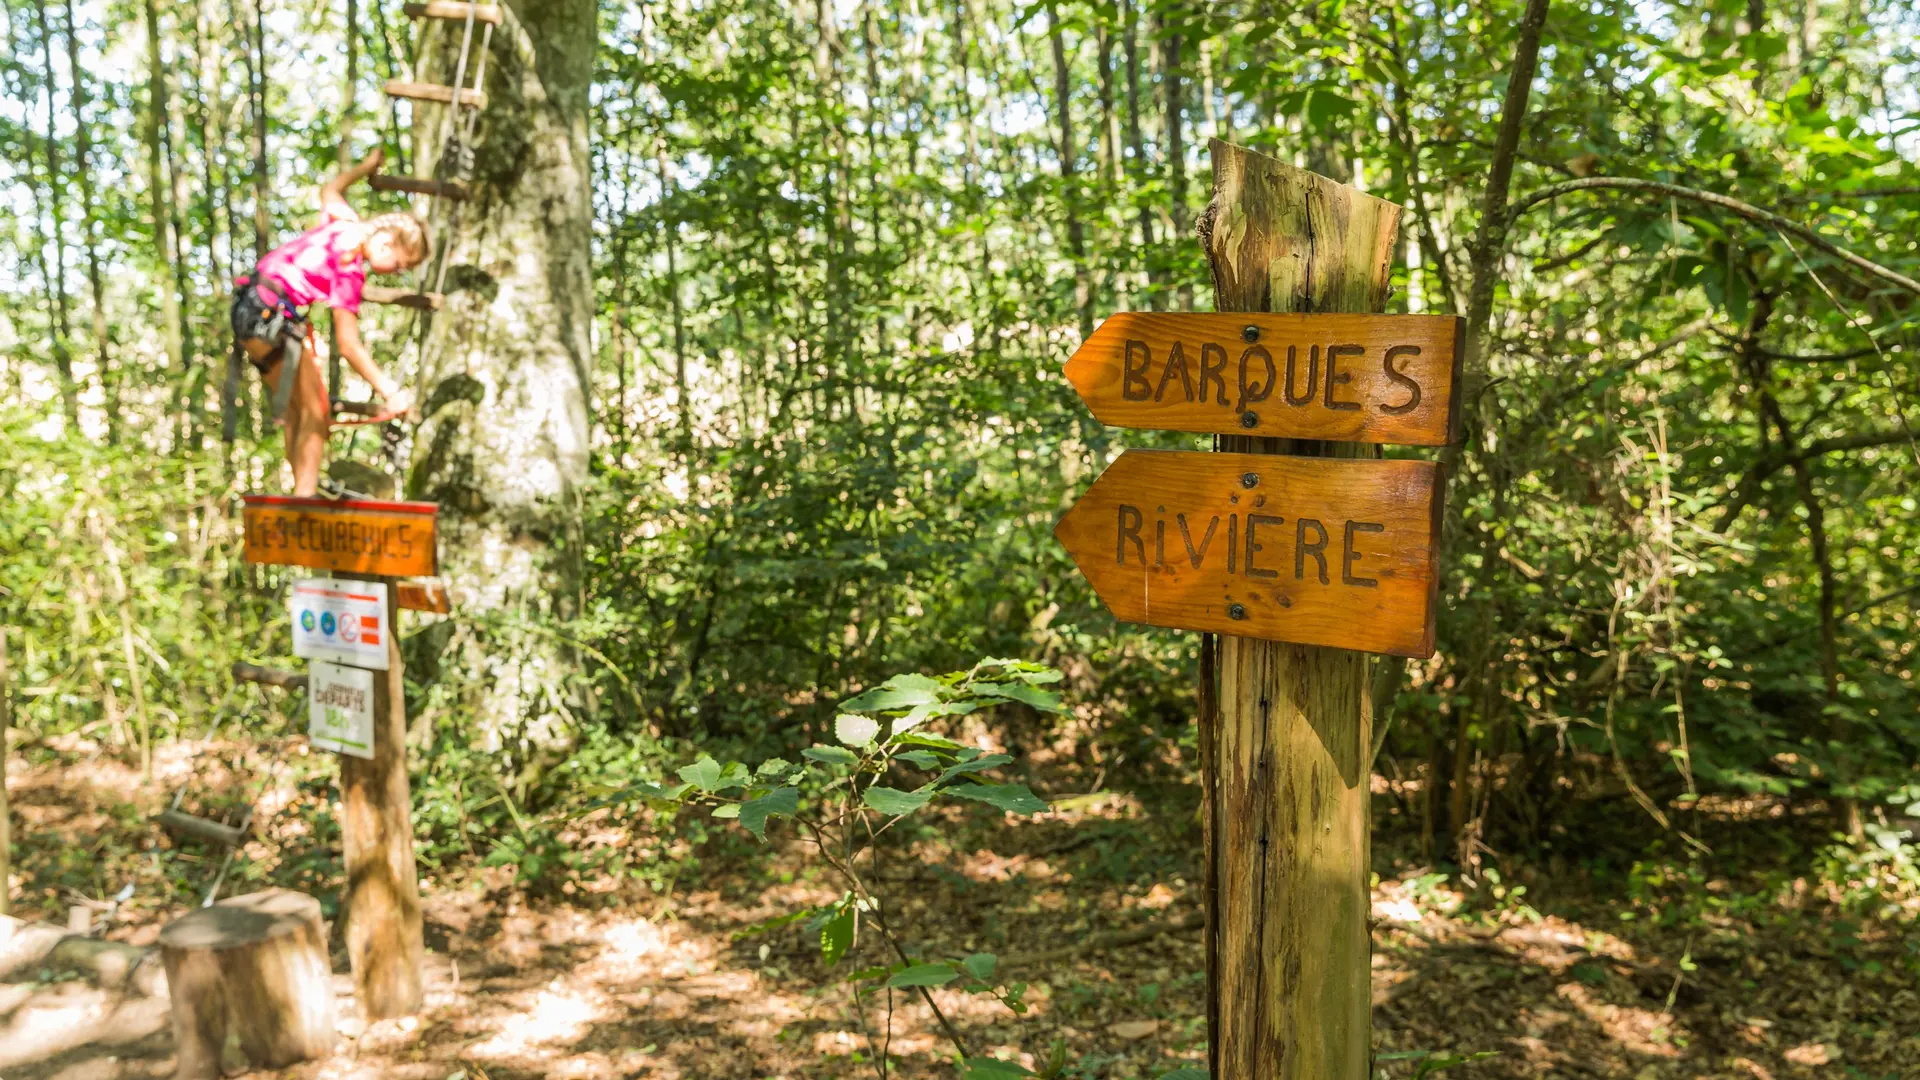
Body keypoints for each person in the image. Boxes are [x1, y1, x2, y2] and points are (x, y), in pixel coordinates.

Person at [230, 147, 431, 496]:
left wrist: (364, 168)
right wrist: (390, 392)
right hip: (271, 319)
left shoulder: (344, 224)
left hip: (247, 310)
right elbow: (349, 346)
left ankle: (300, 494)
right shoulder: (350, 267)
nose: (396, 272)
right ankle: (303, 502)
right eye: (399, 264)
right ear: (385, 242)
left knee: (297, 410)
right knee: (316, 413)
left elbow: (330, 191)